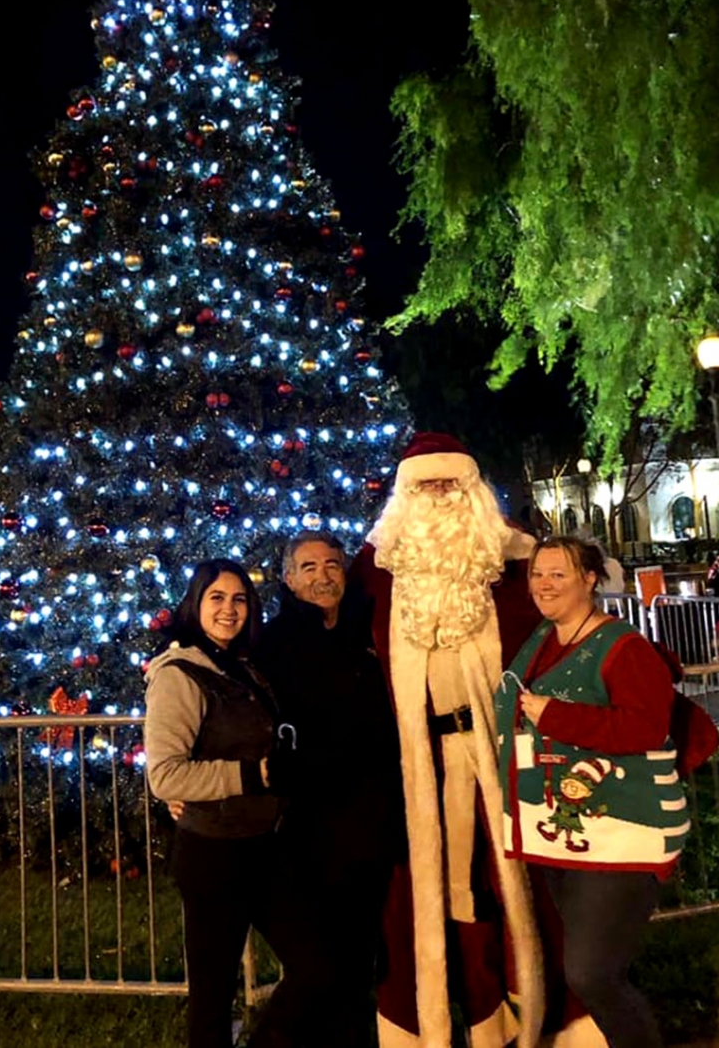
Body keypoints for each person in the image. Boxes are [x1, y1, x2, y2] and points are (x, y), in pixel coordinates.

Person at [352, 432, 600, 1048]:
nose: (438, 495)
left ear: (472, 487)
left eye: (448, 482)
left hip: (508, 756)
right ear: (405, 494)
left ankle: (551, 1017)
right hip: (419, 764)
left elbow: (574, 630)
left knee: (522, 885)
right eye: (425, 485)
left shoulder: (513, 558)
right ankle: (447, 1020)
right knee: (429, 895)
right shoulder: (375, 567)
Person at [495, 536, 690, 1048]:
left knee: (592, 973)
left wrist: (553, 715)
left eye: (559, 574)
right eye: (538, 574)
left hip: (622, 832)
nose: (544, 584)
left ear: (590, 579)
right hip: (566, 831)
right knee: (598, 967)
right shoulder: (542, 638)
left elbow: (647, 728)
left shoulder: (624, 647)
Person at [144, 559, 326, 1048]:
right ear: (195, 604)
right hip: (213, 855)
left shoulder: (241, 667)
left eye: (239, 599)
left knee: (315, 965)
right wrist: (255, 775)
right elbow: (165, 774)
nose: (229, 609)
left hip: (263, 847)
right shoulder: (179, 675)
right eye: (217, 598)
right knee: (213, 993)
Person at [251, 531, 403, 1048]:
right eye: (309, 567)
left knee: (361, 962)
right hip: (310, 830)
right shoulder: (272, 645)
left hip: (374, 825)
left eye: (332, 564)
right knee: (320, 966)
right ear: (289, 579)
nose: (323, 576)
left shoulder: (372, 629)